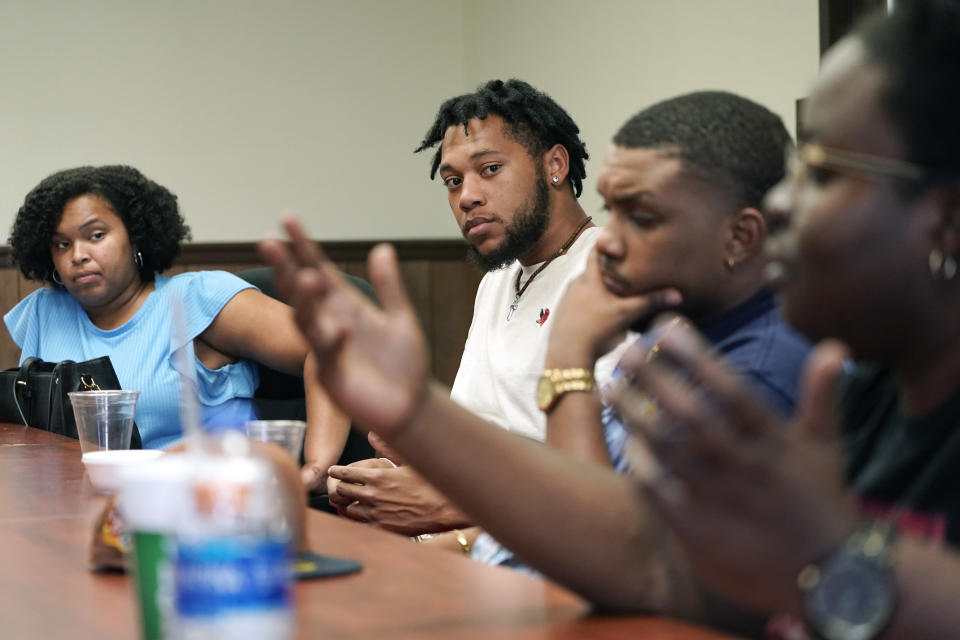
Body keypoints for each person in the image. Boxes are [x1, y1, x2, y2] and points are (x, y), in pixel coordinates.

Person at [263, 0, 960, 637]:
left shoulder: (769, 367)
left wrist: (828, 556)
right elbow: (648, 566)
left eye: (824, 174)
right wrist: (414, 411)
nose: (782, 204)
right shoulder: (866, 389)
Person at [475, 91, 812, 571]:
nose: (607, 240)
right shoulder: (679, 330)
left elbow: (600, 560)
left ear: (740, 237)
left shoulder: (757, 378)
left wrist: (569, 357)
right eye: (610, 210)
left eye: (642, 217)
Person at [324, 80, 627, 545]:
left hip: (549, 548)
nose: (466, 196)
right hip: (472, 531)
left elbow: (603, 488)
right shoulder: (497, 282)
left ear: (555, 164)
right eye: (453, 181)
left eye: (489, 169)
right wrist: (400, 472)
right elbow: (483, 442)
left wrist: (451, 525)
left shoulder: (613, 273)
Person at [6, 165, 349, 492]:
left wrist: (317, 468)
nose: (77, 255)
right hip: (70, 511)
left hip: (200, 507)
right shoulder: (44, 311)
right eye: (61, 244)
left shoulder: (196, 299)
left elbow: (330, 347)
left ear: (136, 237)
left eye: (96, 235)